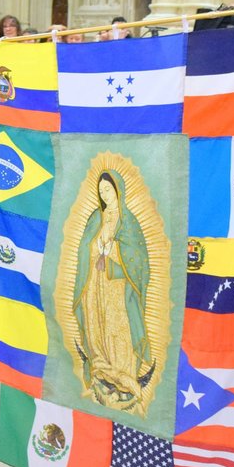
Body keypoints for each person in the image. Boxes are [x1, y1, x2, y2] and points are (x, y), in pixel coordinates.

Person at [71, 170, 151, 409]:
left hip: (117, 285)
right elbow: (84, 247)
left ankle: (123, 372)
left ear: (118, 190)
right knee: (96, 324)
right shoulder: (96, 217)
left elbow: (139, 259)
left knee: (118, 326)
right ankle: (102, 368)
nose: (105, 194)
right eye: (102, 190)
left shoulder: (128, 221)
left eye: (109, 189)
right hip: (95, 283)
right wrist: (94, 249)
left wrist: (113, 252)